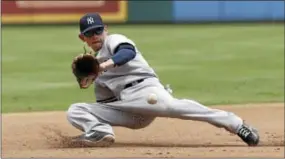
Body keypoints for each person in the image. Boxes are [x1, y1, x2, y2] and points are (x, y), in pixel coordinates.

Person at [67, 13, 259, 147]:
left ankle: (236, 124)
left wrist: (102, 67)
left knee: (176, 108)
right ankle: (100, 131)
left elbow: (127, 52)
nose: (95, 36)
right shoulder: (94, 67)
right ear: (82, 37)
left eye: (98, 30)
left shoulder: (114, 40)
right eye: (90, 33)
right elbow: (105, 103)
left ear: (105, 29)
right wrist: (89, 81)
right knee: (75, 110)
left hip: (147, 91)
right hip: (130, 111)